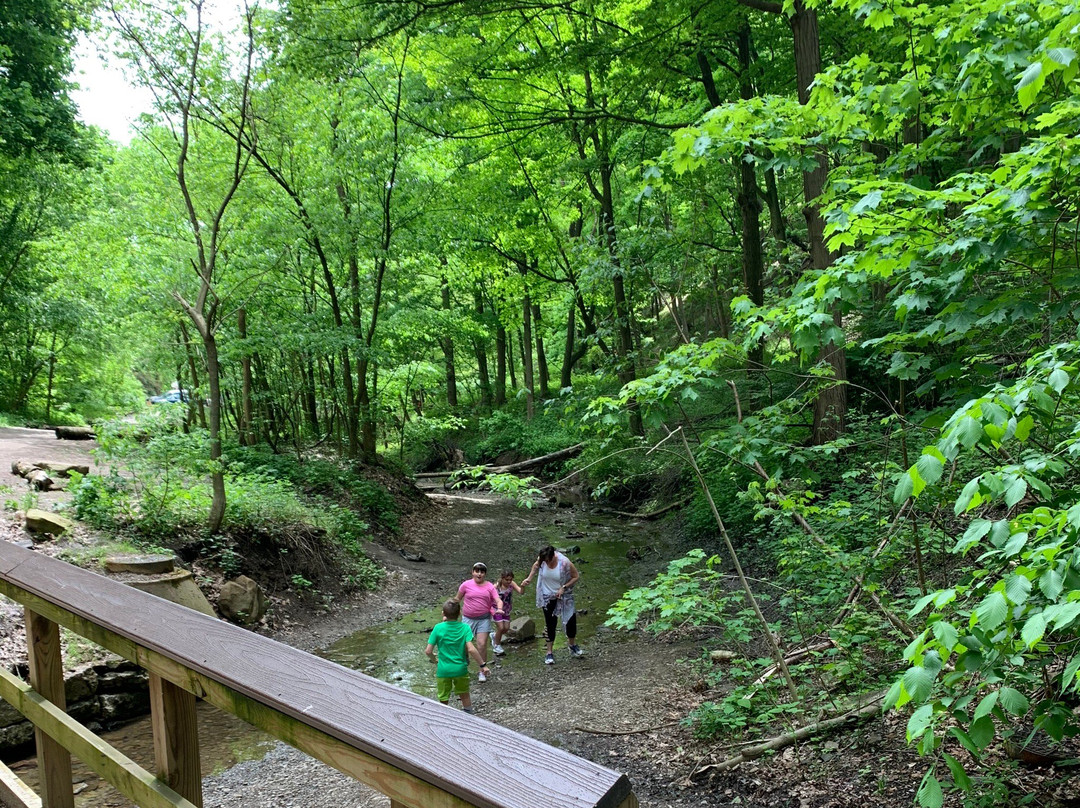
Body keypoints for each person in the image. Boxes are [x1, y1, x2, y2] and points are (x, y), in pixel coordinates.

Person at [521, 545, 583, 665]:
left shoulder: (564, 562)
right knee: (550, 623)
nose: (547, 563)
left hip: (564, 595)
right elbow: (536, 565)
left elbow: (576, 577)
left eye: (548, 561)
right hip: (547, 596)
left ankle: (572, 645)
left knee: (570, 621)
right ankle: (549, 652)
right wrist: (529, 578)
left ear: (553, 555)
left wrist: (564, 587)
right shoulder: (542, 559)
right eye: (545, 561)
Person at [425, 599, 490, 713]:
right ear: (460, 613)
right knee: (464, 694)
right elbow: (471, 649)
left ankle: (444, 716)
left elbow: (428, 651)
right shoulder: (465, 628)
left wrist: (434, 660)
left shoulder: (438, 628)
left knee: (443, 697)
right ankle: (468, 714)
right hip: (460, 669)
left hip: (443, 669)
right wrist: (482, 665)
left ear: (443, 614)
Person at [454, 562, 502, 682]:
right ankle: (464, 662)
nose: (479, 574)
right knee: (464, 644)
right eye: (477, 571)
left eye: (482, 572)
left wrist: (500, 608)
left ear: (485, 574)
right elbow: (457, 599)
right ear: (473, 572)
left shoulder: (489, 586)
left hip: (483, 619)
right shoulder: (466, 585)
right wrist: (448, 611)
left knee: (481, 644)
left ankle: (482, 670)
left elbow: (498, 600)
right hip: (467, 619)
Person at [491, 569, 525, 656]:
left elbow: (521, 592)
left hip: (506, 609)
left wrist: (523, 586)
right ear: (502, 578)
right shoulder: (496, 587)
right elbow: (488, 595)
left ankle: (495, 636)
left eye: (510, 579)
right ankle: (497, 646)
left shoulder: (512, 584)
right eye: (507, 580)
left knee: (506, 628)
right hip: (496, 609)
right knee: (501, 627)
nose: (509, 582)